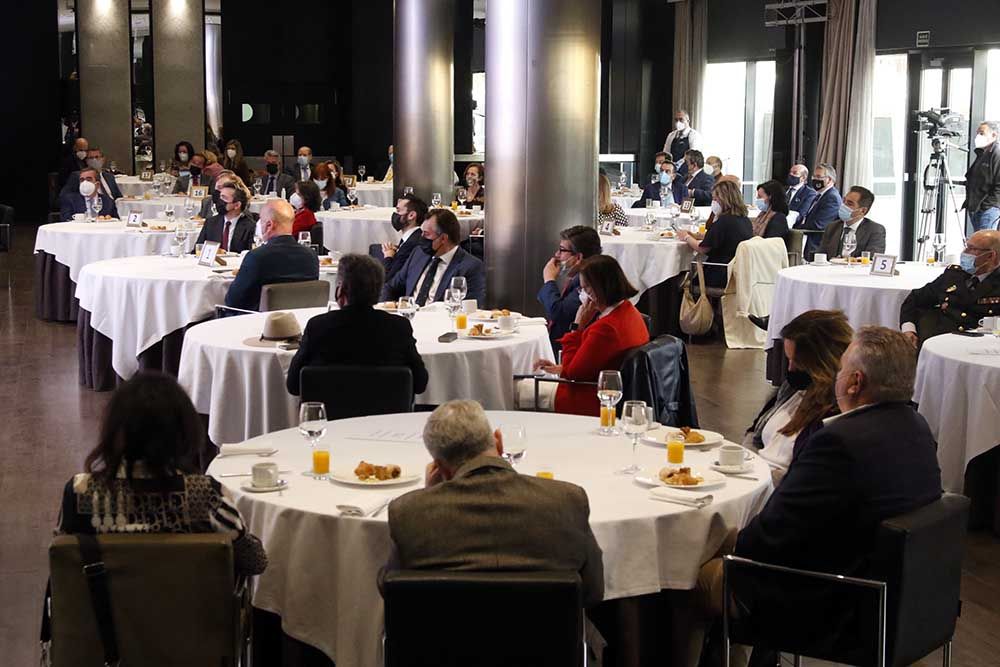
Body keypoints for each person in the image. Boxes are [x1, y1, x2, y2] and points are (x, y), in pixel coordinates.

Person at [680, 326, 942, 667]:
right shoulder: (918, 429)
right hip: (899, 601)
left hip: (827, 603)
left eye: (842, 368)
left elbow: (765, 540)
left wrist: (725, 548)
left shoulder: (838, 443)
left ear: (855, 382)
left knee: (686, 577)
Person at [383, 399, 605, 610]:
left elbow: (390, 588)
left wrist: (428, 497)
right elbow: (593, 591)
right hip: (551, 646)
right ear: (499, 442)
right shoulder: (567, 500)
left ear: (439, 468)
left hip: (441, 648)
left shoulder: (409, 512)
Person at [56, 372, 268, 577]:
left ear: (113, 430)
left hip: (102, 612)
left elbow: (63, 560)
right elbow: (255, 562)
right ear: (184, 431)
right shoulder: (204, 496)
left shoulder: (80, 493)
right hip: (192, 612)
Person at [286, 253, 427, 396]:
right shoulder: (399, 327)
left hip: (329, 416)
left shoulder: (318, 326)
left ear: (340, 290)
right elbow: (420, 383)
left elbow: (293, 385)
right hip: (385, 416)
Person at [529, 255, 649, 415]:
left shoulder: (606, 328)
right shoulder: (630, 311)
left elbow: (573, 375)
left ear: (599, 289)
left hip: (587, 398)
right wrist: (561, 368)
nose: (583, 293)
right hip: (608, 389)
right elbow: (597, 362)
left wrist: (577, 326)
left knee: (515, 388)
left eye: (585, 288)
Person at [744, 310, 853, 482]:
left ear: (824, 362)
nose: (791, 369)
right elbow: (755, 431)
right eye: (789, 360)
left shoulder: (836, 412)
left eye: (798, 362)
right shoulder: (791, 390)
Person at [900, 229, 1000, 345]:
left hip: (983, 346)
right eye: (966, 246)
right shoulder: (954, 275)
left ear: (990, 256)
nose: (965, 252)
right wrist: (909, 330)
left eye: (972, 249)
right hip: (940, 341)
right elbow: (915, 299)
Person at [224, 199, 319, 311]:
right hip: (299, 321)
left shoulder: (257, 257)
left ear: (269, 225)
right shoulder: (311, 256)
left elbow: (233, 301)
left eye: (261, 221)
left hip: (257, 323)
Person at [380, 208, 486, 306]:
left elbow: (471, 307)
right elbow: (391, 287)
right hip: (408, 317)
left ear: (443, 238)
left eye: (426, 234)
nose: (421, 237)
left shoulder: (471, 267)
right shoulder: (418, 254)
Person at [678, 179, 753, 288]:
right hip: (738, 272)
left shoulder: (724, 221)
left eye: (715, 199)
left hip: (719, 273)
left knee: (681, 279)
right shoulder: (744, 220)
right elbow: (724, 237)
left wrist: (686, 237)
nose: (713, 202)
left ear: (724, 200)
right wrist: (696, 236)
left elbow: (703, 249)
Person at [538, 225, 603, 350]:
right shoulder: (581, 275)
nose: (557, 255)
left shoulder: (589, 282)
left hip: (572, 349)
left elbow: (558, 313)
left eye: (562, 250)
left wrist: (549, 279)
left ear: (578, 257)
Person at [817, 185, 886, 259]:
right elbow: (821, 254)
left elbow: (871, 258)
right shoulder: (832, 227)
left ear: (863, 211)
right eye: (844, 201)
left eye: (849, 204)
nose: (843, 205)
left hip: (856, 269)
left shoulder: (875, 230)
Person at [794, 162, 842, 259]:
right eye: (814, 176)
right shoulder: (819, 195)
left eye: (819, 177)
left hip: (819, 246)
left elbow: (819, 224)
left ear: (829, 179)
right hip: (809, 243)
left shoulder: (832, 198)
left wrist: (796, 228)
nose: (815, 180)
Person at [194, 182, 255, 253]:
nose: (219, 201)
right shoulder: (211, 222)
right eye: (220, 197)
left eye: (224, 197)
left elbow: (251, 253)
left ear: (237, 205)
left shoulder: (250, 226)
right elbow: (198, 248)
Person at [381, 194, 428, 282]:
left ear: (411, 215)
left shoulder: (411, 244)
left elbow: (388, 278)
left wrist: (388, 256)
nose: (395, 215)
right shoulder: (414, 236)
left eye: (398, 211)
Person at [964, 120, 1000, 231]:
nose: (978, 136)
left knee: (985, 244)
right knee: (979, 244)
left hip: (988, 210)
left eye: (982, 133)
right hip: (976, 208)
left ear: (994, 135)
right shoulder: (982, 153)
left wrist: (987, 206)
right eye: (977, 133)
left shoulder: (997, 154)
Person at [59, 147, 123, 201]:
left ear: (103, 159)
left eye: (97, 157)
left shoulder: (109, 177)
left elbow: (119, 197)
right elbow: (64, 196)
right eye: (91, 158)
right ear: (86, 161)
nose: (94, 160)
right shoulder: (78, 176)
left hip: (113, 211)